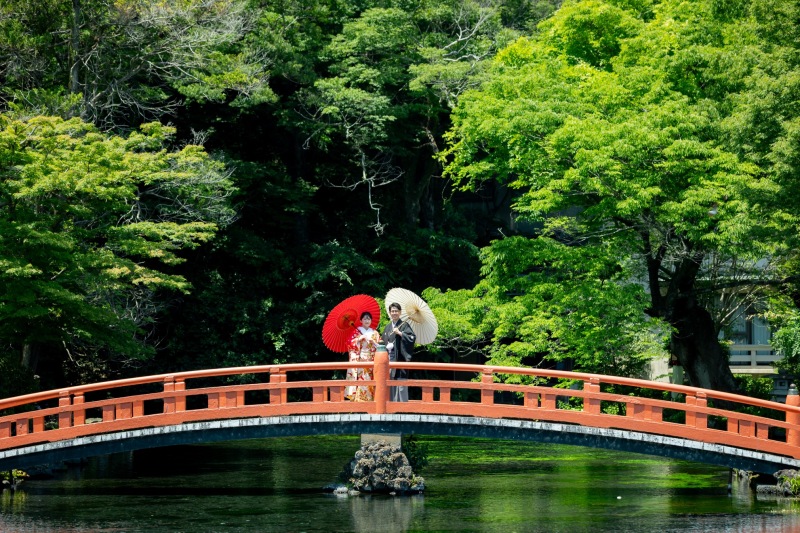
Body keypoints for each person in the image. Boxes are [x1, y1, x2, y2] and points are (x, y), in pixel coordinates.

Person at [382, 302, 416, 402]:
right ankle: (392, 403)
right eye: (392, 311)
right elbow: (383, 340)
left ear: (400, 312)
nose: (394, 313)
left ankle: (402, 406)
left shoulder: (405, 325)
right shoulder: (388, 327)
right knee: (390, 381)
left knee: (401, 381)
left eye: (396, 311)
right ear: (389, 313)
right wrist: (387, 346)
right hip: (390, 358)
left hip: (400, 357)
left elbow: (412, 338)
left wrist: (400, 333)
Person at [345, 311, 381, 401]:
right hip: (360, 359)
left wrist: (374, 343)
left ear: (371, 320)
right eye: (365, 318)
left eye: (369, 318)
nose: (367, 320)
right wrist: (358, 339)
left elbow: (380, 347)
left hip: (372, 360)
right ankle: (358, 401)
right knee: (360, 379)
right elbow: (349, 344)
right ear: (361, 320)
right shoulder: (357, 332)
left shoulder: (375, 333)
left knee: (370, 380)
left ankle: (370, 400)